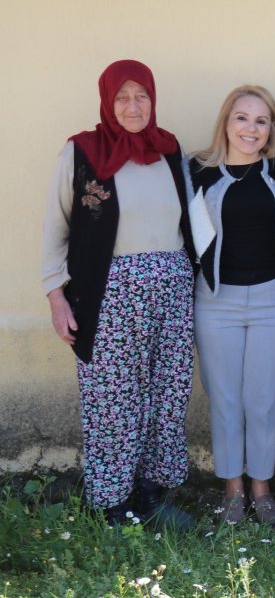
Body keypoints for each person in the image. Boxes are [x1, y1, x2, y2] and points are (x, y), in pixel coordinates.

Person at [40, 59, 196, 528]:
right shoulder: (82, 151)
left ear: (153, 99)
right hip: (109, 292)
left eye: (142, 95)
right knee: (113, 399)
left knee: (167, 393)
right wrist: (56, 296)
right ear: (108, 101)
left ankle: (152, 494)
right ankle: (112, 501)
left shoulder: (168, 150)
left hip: (171, 286)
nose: (133, 105)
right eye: (123, 97)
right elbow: (56, 227)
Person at [189, 85, 275, 526]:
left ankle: (262, 488)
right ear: (225, 122)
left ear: (271, 128)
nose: (250, 128)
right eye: (242, 118)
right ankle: (233, 490)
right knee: (226, 397)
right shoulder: (197, 170)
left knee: (266, 398)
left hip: (274, 299)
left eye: (261, 120)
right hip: (216, 302)